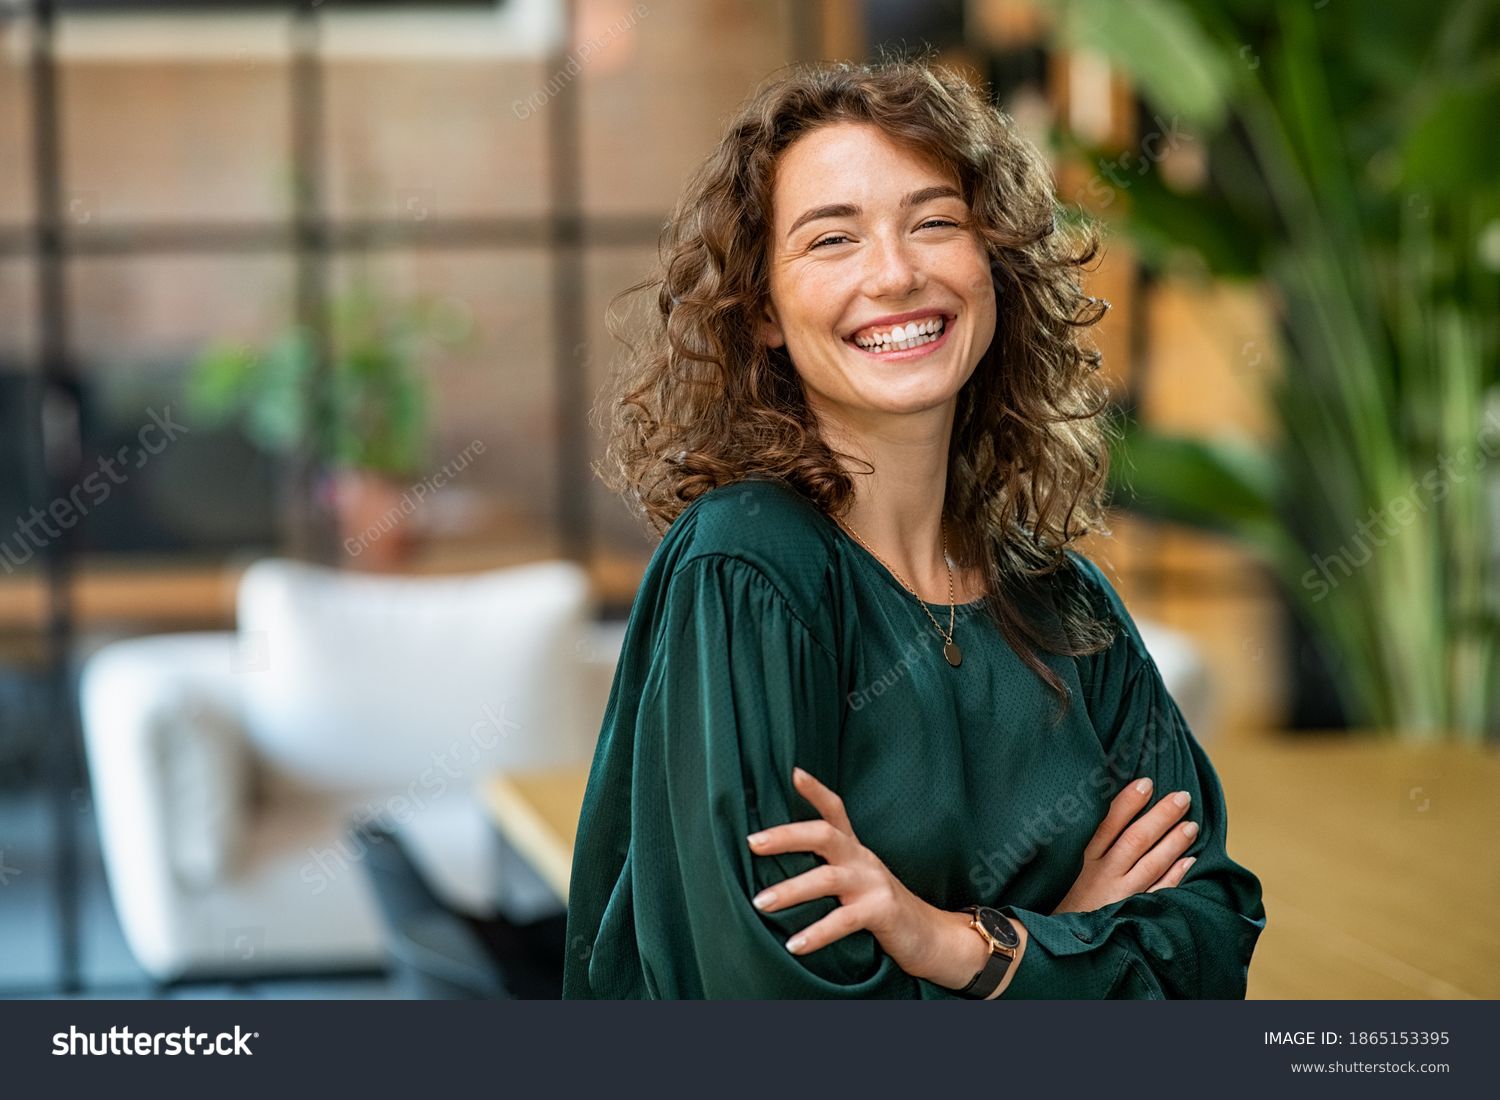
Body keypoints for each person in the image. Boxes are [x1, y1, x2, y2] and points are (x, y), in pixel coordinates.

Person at [563, 58, 1265, 999]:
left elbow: (1210, 944)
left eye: (935, 223)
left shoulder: (1064, 601)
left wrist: (957, 944)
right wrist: (1064, 947)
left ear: (994, 266)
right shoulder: (748, 567)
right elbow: (769, 1006)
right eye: (831, 240)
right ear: (763, 310)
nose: (895, 274)